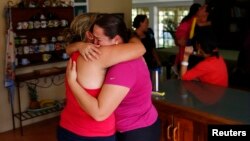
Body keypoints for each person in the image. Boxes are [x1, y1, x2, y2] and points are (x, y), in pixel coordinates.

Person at [66, 14, 161, 141]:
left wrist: (72, 82)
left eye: (98, 40)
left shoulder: (125, 65)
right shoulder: (114, 55)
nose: (94, 44)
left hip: (135, 130)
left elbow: (99, 113)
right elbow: (70, 49)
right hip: (126, 127)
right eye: (92, 38)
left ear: (116, 40)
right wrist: (79, 45)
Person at [173, 3, 201, 74]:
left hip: (185, 53)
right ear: (197, 11)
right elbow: (179, 40)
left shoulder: (189, 20)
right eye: (200, 10)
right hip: (187, 53)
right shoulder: (191, 20)